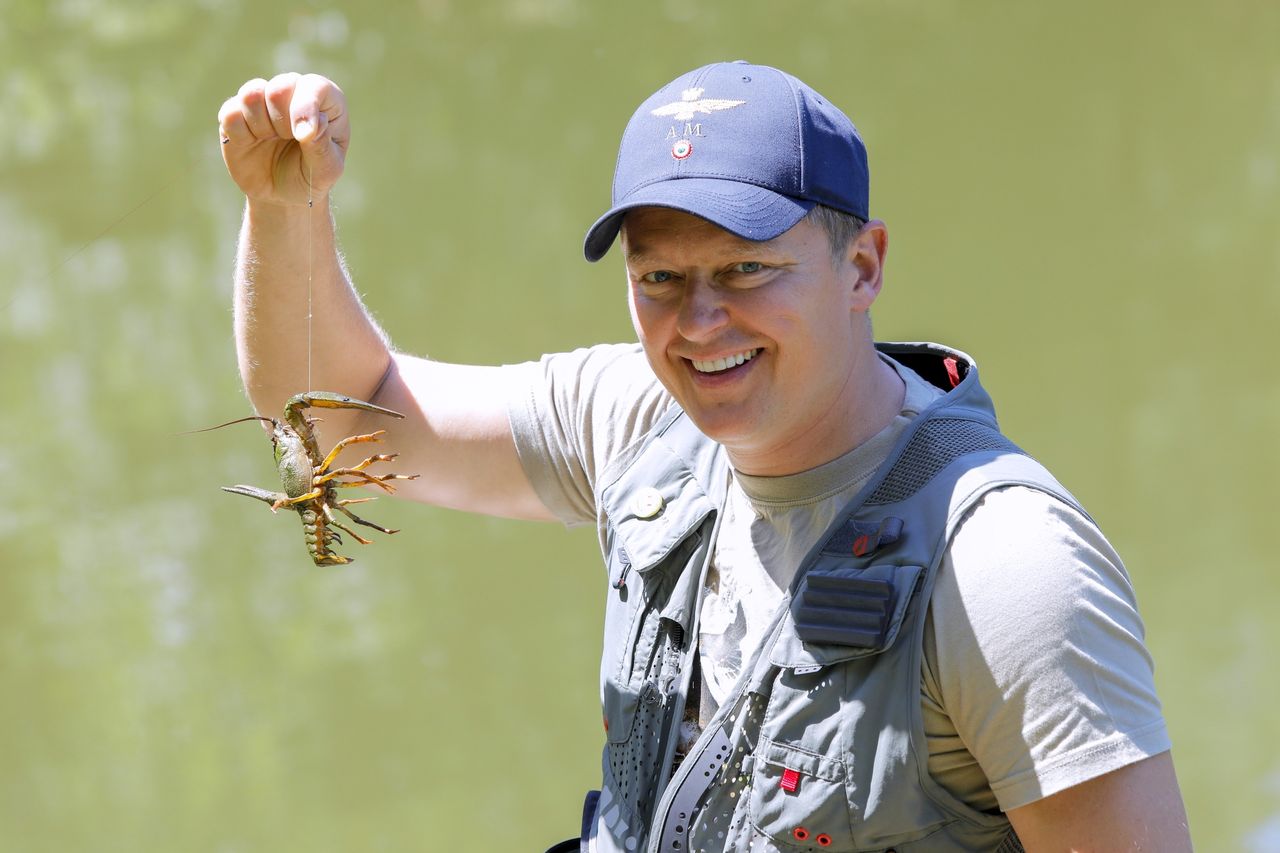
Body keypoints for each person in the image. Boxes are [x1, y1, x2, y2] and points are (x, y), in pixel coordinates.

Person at [217, 62, 1192, 852]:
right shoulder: (638, 418)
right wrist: (282, 209)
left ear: (862, 267)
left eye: (745, 269)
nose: (698, 322)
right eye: (659, 279)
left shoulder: (1003, 567)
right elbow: (340, 425)